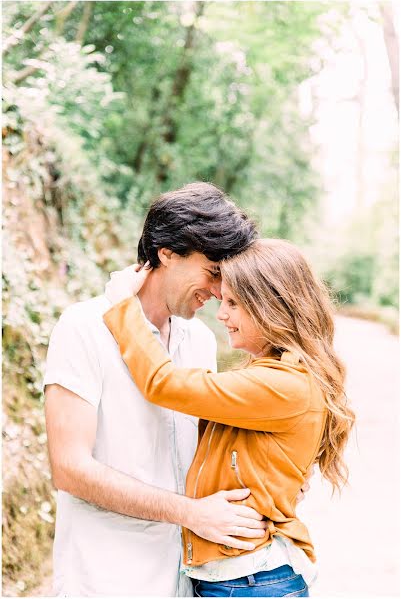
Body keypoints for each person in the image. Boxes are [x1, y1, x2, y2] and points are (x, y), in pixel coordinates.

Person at [44, 182, 266, 597]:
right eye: (212, 271)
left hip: (183, 578)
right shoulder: (83, 328)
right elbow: (69, 468)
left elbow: (203, 451)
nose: (219, 293)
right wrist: (191, 513)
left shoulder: (199, 339)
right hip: (103, 577)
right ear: (167, 252)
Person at [103, 238, 356, 598]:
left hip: (251, 581)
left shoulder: (281, 384)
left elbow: (164, 383)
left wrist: (124, 306)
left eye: (234, 304)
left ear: (271, 307)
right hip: (243, 578)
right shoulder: (274, 376)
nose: (222, 315)